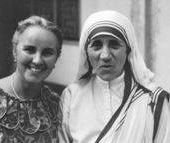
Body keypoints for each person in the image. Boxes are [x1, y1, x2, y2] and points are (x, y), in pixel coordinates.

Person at [59, 10, 170, 143]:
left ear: (127, 50)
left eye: (114, 44)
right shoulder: (72, 96)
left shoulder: (153, 100)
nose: (105, 55)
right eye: (96, 45)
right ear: (86, 51)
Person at [0, 16, 63, 143]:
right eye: (29, 50)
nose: (37, 60)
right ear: (14, 51)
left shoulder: (56, 105)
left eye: (47, 52)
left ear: (56, 58)